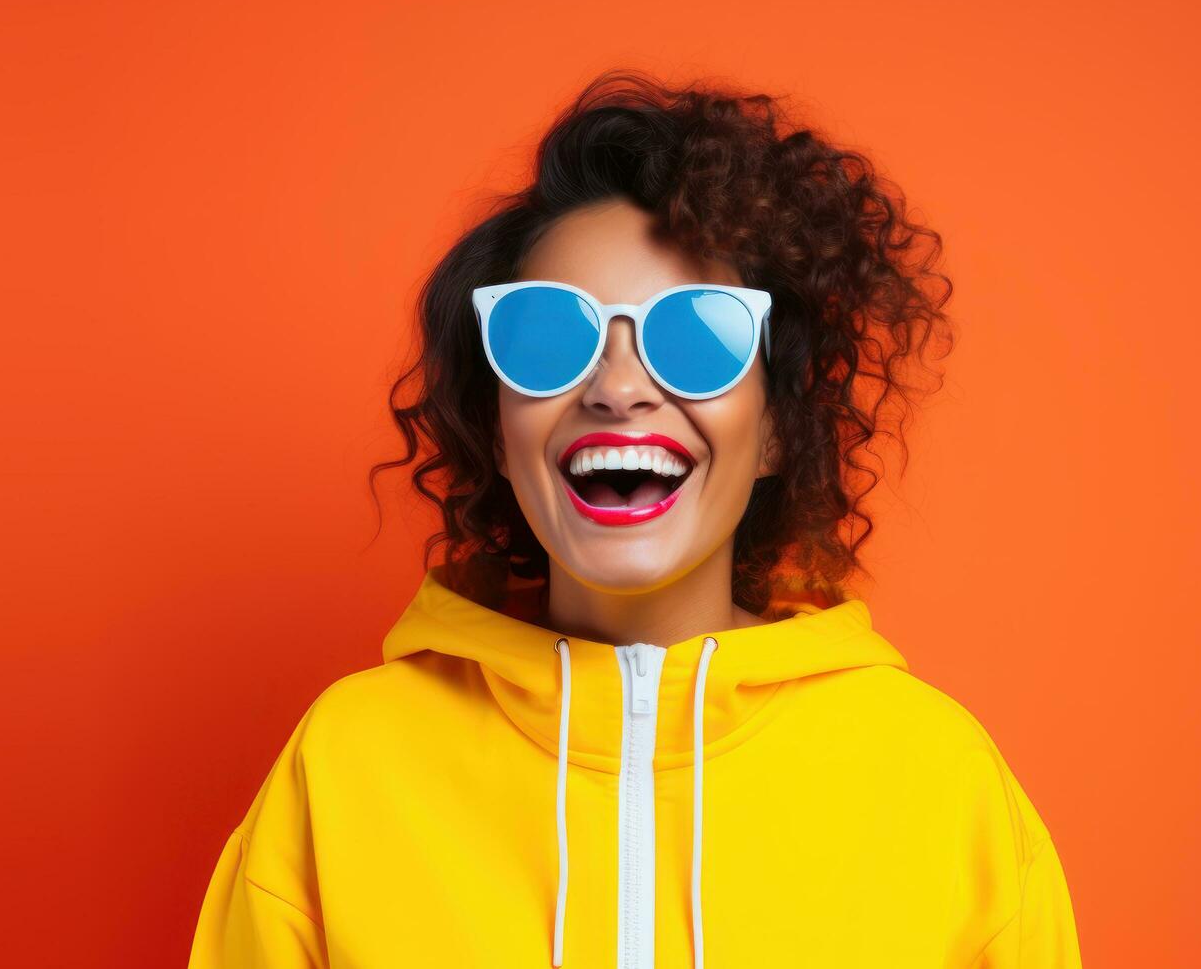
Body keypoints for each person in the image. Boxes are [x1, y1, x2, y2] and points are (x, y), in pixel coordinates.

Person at [186, 70, 1082, 968]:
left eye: (698, 336)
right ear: (497, 429)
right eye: (547, 336)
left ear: (776, 430)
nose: (617, 389)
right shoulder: (347, 765)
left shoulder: (939, 781)